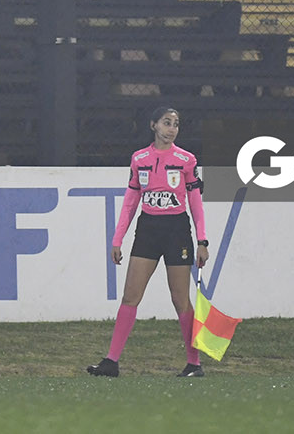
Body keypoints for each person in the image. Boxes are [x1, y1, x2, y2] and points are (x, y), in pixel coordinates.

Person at [87, 107, 210, 379]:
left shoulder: (186, 160)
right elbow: (131, 201)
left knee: (180, 299)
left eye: (176, 124)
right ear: (153, 125)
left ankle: (194, 363)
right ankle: (111, 361)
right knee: (131, 295)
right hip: (148, 229)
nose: (172, 129)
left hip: (177, 230)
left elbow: (195, 203)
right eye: (167, 123)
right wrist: (117, 238)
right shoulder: (139, 158)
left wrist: (202, 240)